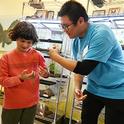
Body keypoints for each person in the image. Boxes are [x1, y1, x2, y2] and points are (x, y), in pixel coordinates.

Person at [48, 1, 124, 124]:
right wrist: (77, 87)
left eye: (67, 26)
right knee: (87, 120)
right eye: (62, 26)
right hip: (94, 88)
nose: (65, 30)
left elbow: (84, 68)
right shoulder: (76, 41)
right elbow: (78, 68)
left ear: (81, 21)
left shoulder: (101, 33)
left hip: (117, 90)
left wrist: (56, 57)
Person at [0, 21, 49, 124]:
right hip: (12, 105)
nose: (25, 45)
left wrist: (45, 74)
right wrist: (20, 78)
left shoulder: (38, 55)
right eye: (22, 41)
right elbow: (3, 81)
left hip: (31, 104)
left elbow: (45, 71)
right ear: (16, 38)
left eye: (29, 42)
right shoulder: (6, 58)